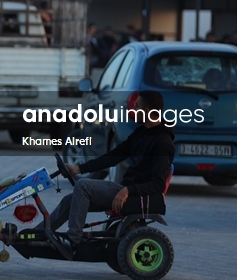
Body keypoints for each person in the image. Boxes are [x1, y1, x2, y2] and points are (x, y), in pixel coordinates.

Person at [49, 90, 175, 254]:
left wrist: (127, 191)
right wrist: (79, 168)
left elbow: (158, 184)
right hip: (125, 188)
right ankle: (38, 234)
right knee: (69, 200)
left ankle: (73, 241)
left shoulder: (162, 143)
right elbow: (113, 157)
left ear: (147, 111)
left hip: (133, 194)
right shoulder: (141, 132)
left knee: (83, 186)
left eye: (136, 106)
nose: (132, 109)